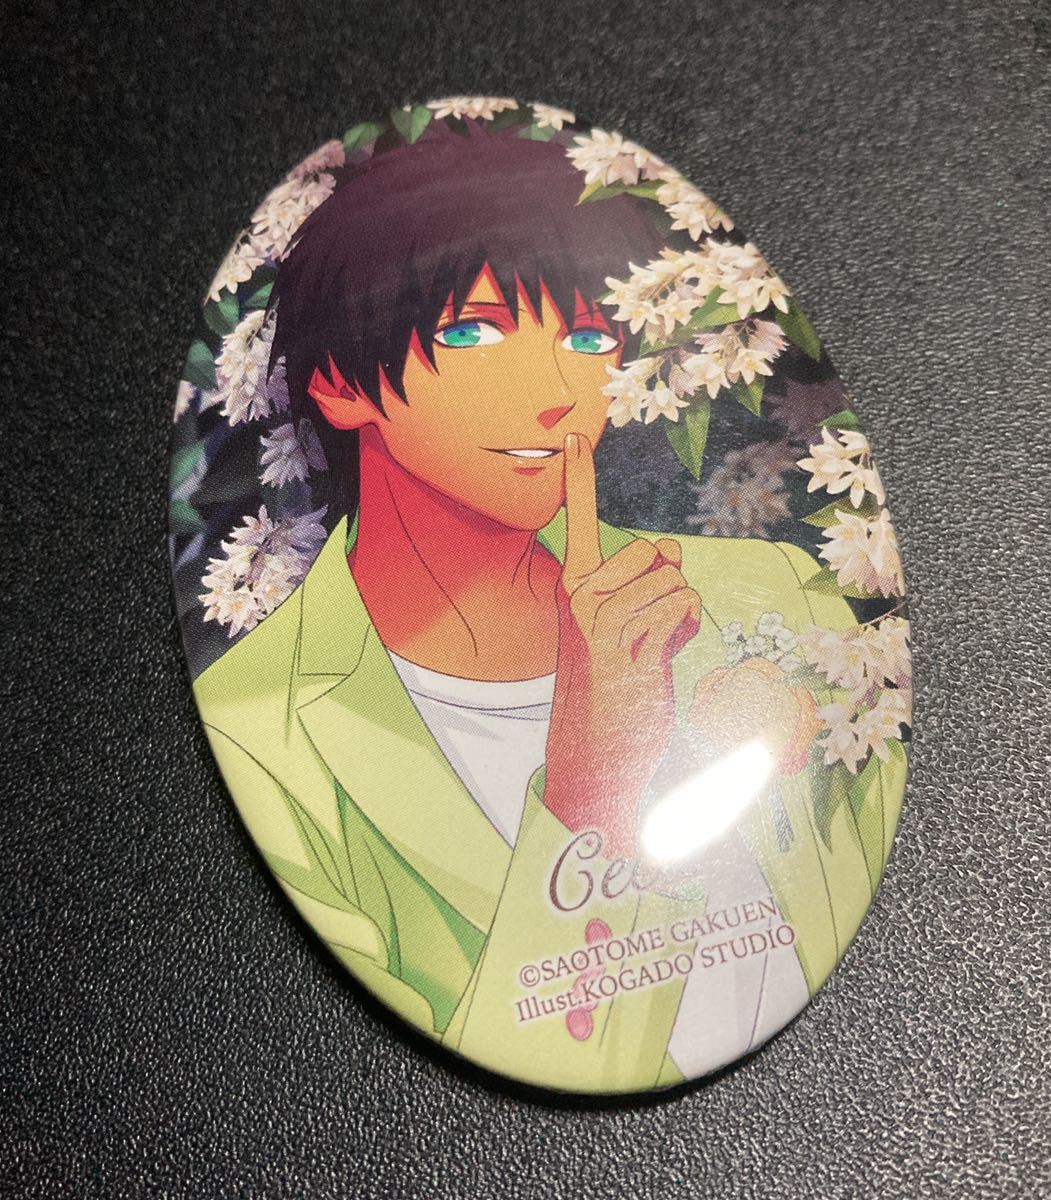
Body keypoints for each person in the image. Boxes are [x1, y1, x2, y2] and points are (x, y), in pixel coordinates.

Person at [194, 124, 860, 1091]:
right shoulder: (264, 737)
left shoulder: (774, 595)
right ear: (338, 382)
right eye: (474, 332)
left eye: (591, 339)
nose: (559, 393)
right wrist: (589, 793)